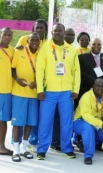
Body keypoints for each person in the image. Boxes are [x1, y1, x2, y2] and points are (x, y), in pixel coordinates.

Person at [36, 23, 80, 160]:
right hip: (48, 92)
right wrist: (39, 89)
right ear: (52, 32)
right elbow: (40, 69)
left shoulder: (72, 50)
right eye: (55, 31)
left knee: (67, 121)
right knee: (45, 121)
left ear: (64, 32)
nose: (58, 33)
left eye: (60, 31)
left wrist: (75, 89)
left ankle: (67, 148)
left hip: (66, 92)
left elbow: (76, 71)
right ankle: (42, 149)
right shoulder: (45, 48)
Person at [11, 33, 40, 162]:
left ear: (40, 42)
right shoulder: (19, 51)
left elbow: (42, 74)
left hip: (33, 94)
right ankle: (15, 149)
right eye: (32, 40)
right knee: (18, 122)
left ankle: (24, 147)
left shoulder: (41, 54)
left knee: (29, 122)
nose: (34, 42)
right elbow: (12, 69)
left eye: (37, 40)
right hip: (19, 93)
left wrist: (37, 84)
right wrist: (17, 79)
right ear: (27, 41)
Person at [73, 79, 103, 165]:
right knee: (88, 128)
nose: (100, 88)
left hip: (97, 122)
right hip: (80, 121)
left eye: (102, 86)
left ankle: (84, 142)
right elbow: (86, 116)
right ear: (93, 87)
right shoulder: (86, 97)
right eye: (98, 86)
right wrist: (101, 123)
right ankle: (88, 156)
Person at [76, 38, 103, 109]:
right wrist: (95, 83)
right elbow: (82, 73)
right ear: (89, 45)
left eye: (99, 44)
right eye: (94, 44)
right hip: (87, 89)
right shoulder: (81, 57)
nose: (96, 46)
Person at [0, 27, 14, 156]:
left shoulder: (13, 51)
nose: (7, 37)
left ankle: (1, 147)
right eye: (5, 34)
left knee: (3, 121)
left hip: (6, 92)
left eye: (10, 35)